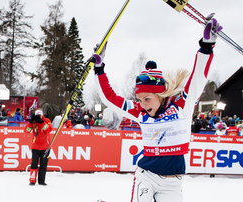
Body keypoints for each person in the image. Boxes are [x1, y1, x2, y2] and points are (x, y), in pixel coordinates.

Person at [93, 16, 222, 202]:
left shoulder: (181, 108)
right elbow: (110, 99)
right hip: (147, 176)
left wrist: (207, 45)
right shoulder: (140, 112)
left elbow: (197, 79)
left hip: (172, 183)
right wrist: (99, 69)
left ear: (161, 96)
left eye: (147, 99)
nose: (143, 105)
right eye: (139, 99)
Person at [24, 109, 52, 185]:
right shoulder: (33, 122)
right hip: (35, 146)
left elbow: (49, 129)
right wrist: (30, 122)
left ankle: (41, 181)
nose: (39, 116)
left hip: (45, 147)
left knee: (43, 164)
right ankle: (32, 180)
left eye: (40, 115)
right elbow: (27, 130)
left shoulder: (46, 120)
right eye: (37, 115)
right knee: (34, 164)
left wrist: (42, 122)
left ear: (42, 115)